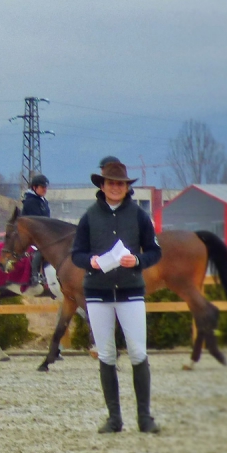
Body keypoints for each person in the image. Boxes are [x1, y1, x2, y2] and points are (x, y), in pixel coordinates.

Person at [70, 158, 162, 434]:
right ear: (103, 185)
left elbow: (154, 251)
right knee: (106, 354)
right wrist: (92, 262)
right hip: (97, 293)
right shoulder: (89, 216)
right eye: (111, 183)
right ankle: (114, 418)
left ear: (125, 187)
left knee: (137, 352)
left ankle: (144, 417)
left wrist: (137, 261)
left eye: (120, 184)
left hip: (131, 292)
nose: (115, 188)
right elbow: (77, 254)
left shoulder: (138, 215)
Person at [20, 174, 50, 287]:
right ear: (34, 188)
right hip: (30, 234)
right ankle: (35, 275)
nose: (45, 189)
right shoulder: (31, 202)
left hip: (41, 233)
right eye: (42, 187)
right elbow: (37, 222)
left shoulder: (43, 201)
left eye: (45, 187)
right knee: (41, 249)